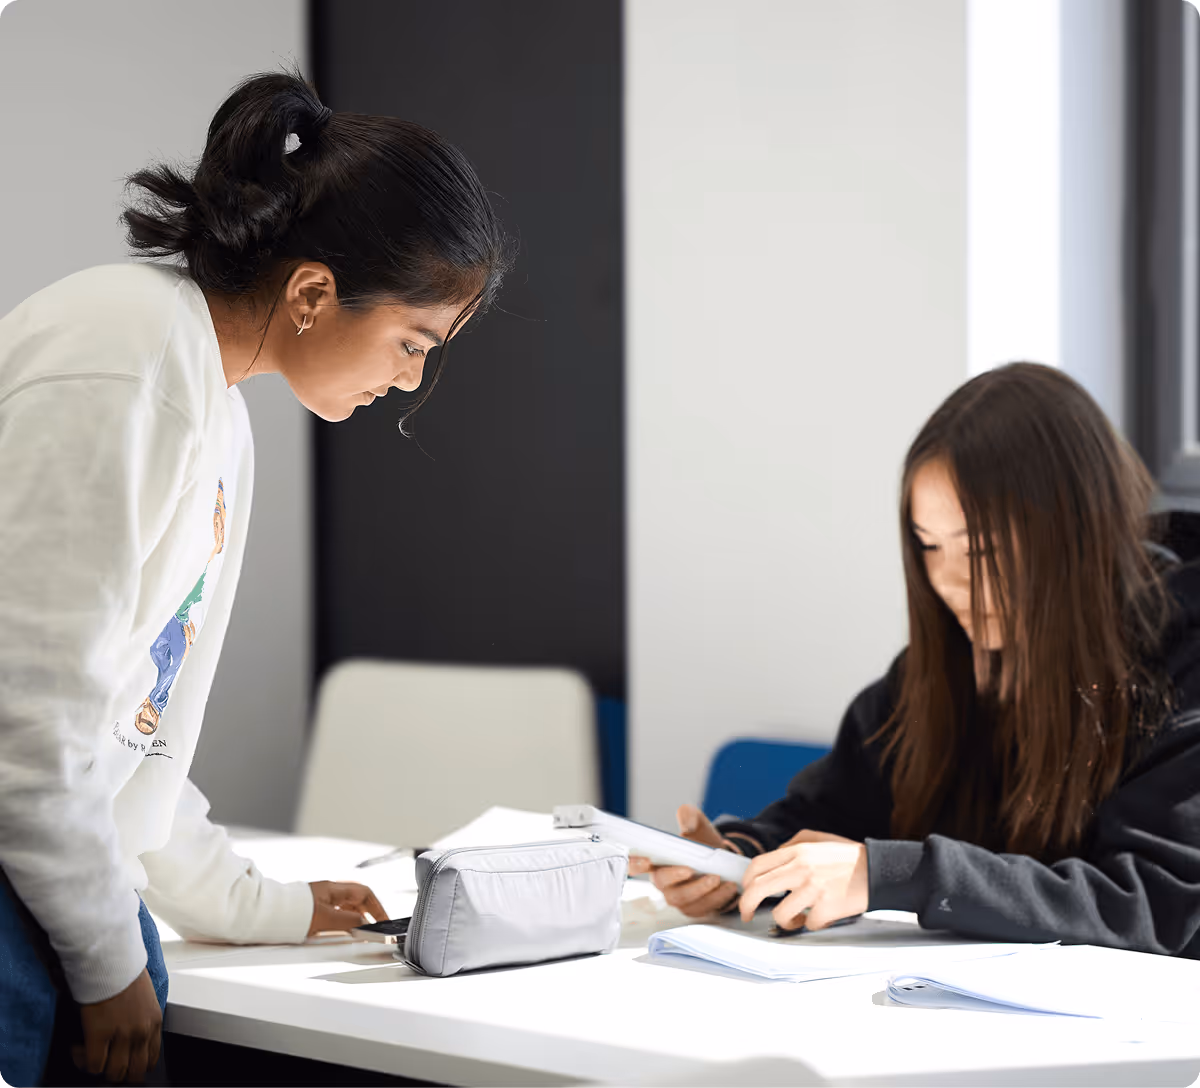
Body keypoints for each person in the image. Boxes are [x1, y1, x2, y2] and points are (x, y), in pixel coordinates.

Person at [0, 70, 510, 1086]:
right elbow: (29, 717)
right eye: (414, 342)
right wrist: (109, 964)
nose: (410, 379)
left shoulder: (212, 401)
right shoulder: (127, 348)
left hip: (42, 872)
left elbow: (130, 744)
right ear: (315, 293)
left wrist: (264, 902)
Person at [632, 363, 1200, 959]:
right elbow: (829, 812)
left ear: (1076, 532)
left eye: (981, 549)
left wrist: (892, 875)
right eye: (928, 545)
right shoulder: (936, 673)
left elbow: (1149, 903)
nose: (950, 581)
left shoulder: (1180, 670)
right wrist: (738, 864)